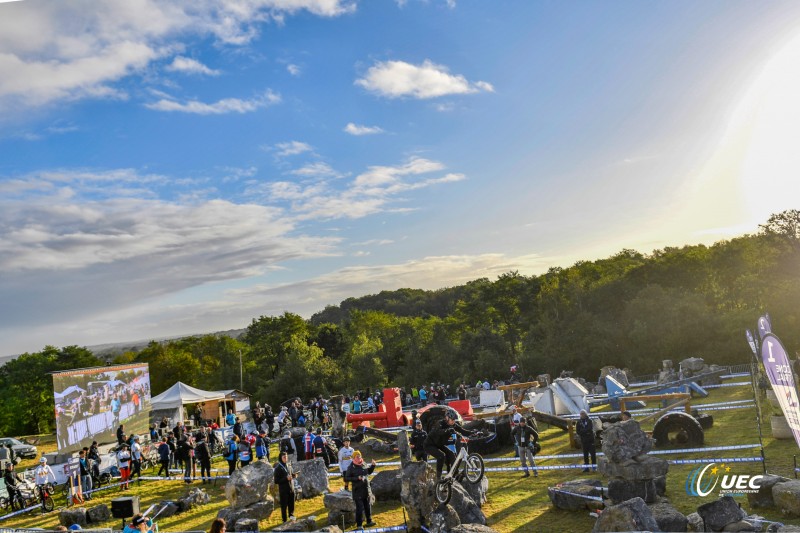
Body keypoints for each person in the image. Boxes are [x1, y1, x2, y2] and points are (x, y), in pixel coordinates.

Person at [423, 409, 472, 479]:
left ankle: (453, 475)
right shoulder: (440, 423)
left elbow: (462, 431)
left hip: (440, 444)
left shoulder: (453, 425)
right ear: (447, 418)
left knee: (452, 456)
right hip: (429, 445)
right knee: (441, 456)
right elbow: (438, 431)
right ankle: (438, 478)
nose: (453, 422)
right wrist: (447, 431)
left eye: (454, 420)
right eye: (452, 420)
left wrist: (474, 433)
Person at [344, 451, 377, 529]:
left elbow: (368, 472)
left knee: (367, 506)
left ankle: (369, 521)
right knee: (359, 508)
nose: (359, 457)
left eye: (359, 456)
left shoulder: (363, 463)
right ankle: (359, 525)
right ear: (353, 457)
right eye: (357, 456)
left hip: (366, 489)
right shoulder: (351, 467)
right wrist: (357, 478)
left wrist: (373, 466)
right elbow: (346, 478)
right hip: (357, 491)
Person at [273, 451, 297, 523]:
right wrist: (286, 479)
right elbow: (276, 481)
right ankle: (284, 520)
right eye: (284, 457)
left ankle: (291, 516)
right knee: (284, 506)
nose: (286, 458)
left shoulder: (289, 465)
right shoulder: (278, 468)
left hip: (291, 488)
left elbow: (291, 474)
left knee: (291, 504)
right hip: (283, 490)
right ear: (281, 458)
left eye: (286, 456)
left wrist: (294, 475)